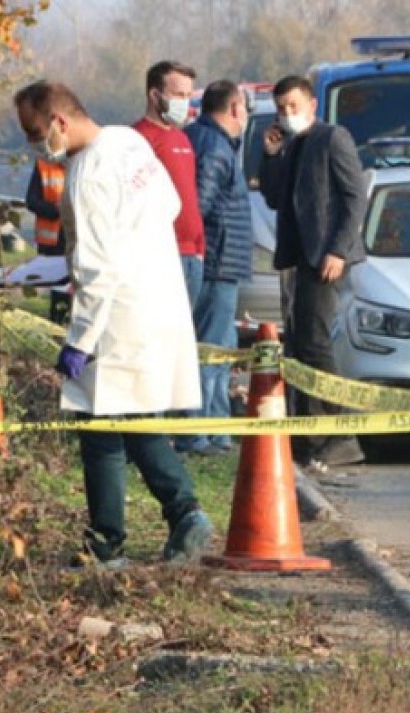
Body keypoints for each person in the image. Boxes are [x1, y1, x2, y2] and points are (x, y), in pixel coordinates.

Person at [13, 80, 212, 569]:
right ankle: (183, 514)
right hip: (157, 297)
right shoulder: (128, 141)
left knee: (100, 426)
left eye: (35, 133)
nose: (35, 146)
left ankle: (108, 539)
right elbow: (170, 206)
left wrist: (78, 342)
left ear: (60, 122)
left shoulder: (85, 177)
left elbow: (97, 274)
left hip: (118, 316)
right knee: (137, 417)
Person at [259, 75, 367, 471]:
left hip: (326, 257)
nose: (288, 114)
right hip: (298, 257)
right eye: (282, 108)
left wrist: (338, 249)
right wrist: (270, 155)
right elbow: (273, 198)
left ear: (311, 106)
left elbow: (355, 197)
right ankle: (309, 435)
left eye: (294, 106)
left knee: (316, 344)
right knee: (300, 345)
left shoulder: (332, 138)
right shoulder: (289, 145)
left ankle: (342, 435)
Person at [179, 81, 255, 456]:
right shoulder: (213, 147)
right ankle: (199, 433)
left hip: (220, 261)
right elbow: (199, 208)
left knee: (220, 348)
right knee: (210, 349)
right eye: (245, 110)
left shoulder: (210, 142)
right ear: (234, 108)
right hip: (215, 262)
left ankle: (217, 431)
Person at [133, 61, 206, 312]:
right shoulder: (137, 138)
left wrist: (199, 248)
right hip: (160, 254)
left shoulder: (182, 137)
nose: (184, 102)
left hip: (192, 255)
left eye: (188, 95)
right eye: (178, 95)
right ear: (155, 95)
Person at [24, 156, 72, 324]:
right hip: (53, 240)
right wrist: (55, 209)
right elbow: (31, 201)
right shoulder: (43, 166)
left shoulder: (86, 164)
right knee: (59, 286)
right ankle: (58, 324)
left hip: (79, 238)